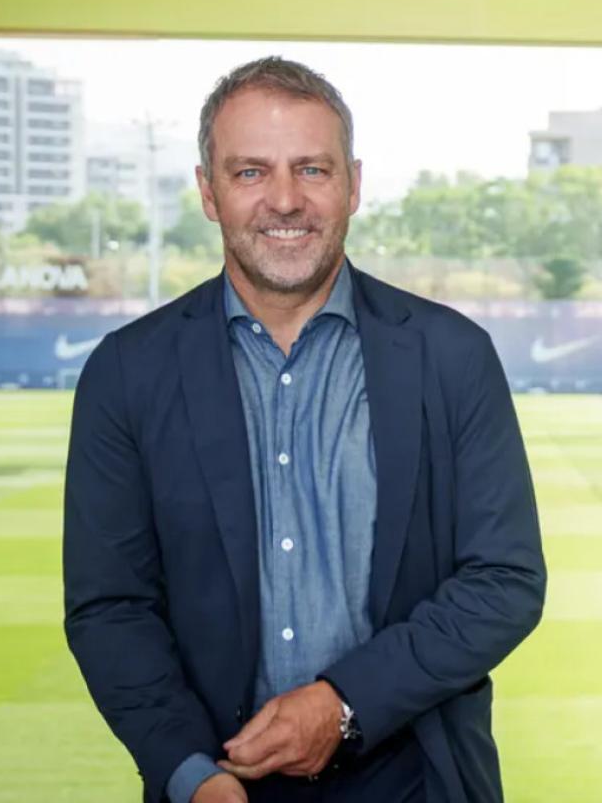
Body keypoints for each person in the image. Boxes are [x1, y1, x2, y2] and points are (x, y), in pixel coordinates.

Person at [63, 57, 546, 803]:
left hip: (415, 778)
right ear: (207, 192)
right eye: (251, 172)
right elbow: (111, 607)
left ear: (353, 183)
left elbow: (504, 581)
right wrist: (191, 774)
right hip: (217, 785)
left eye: (312, 169)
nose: (284, 199)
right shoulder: (127, 372)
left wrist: (342, 703)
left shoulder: (452, 355)